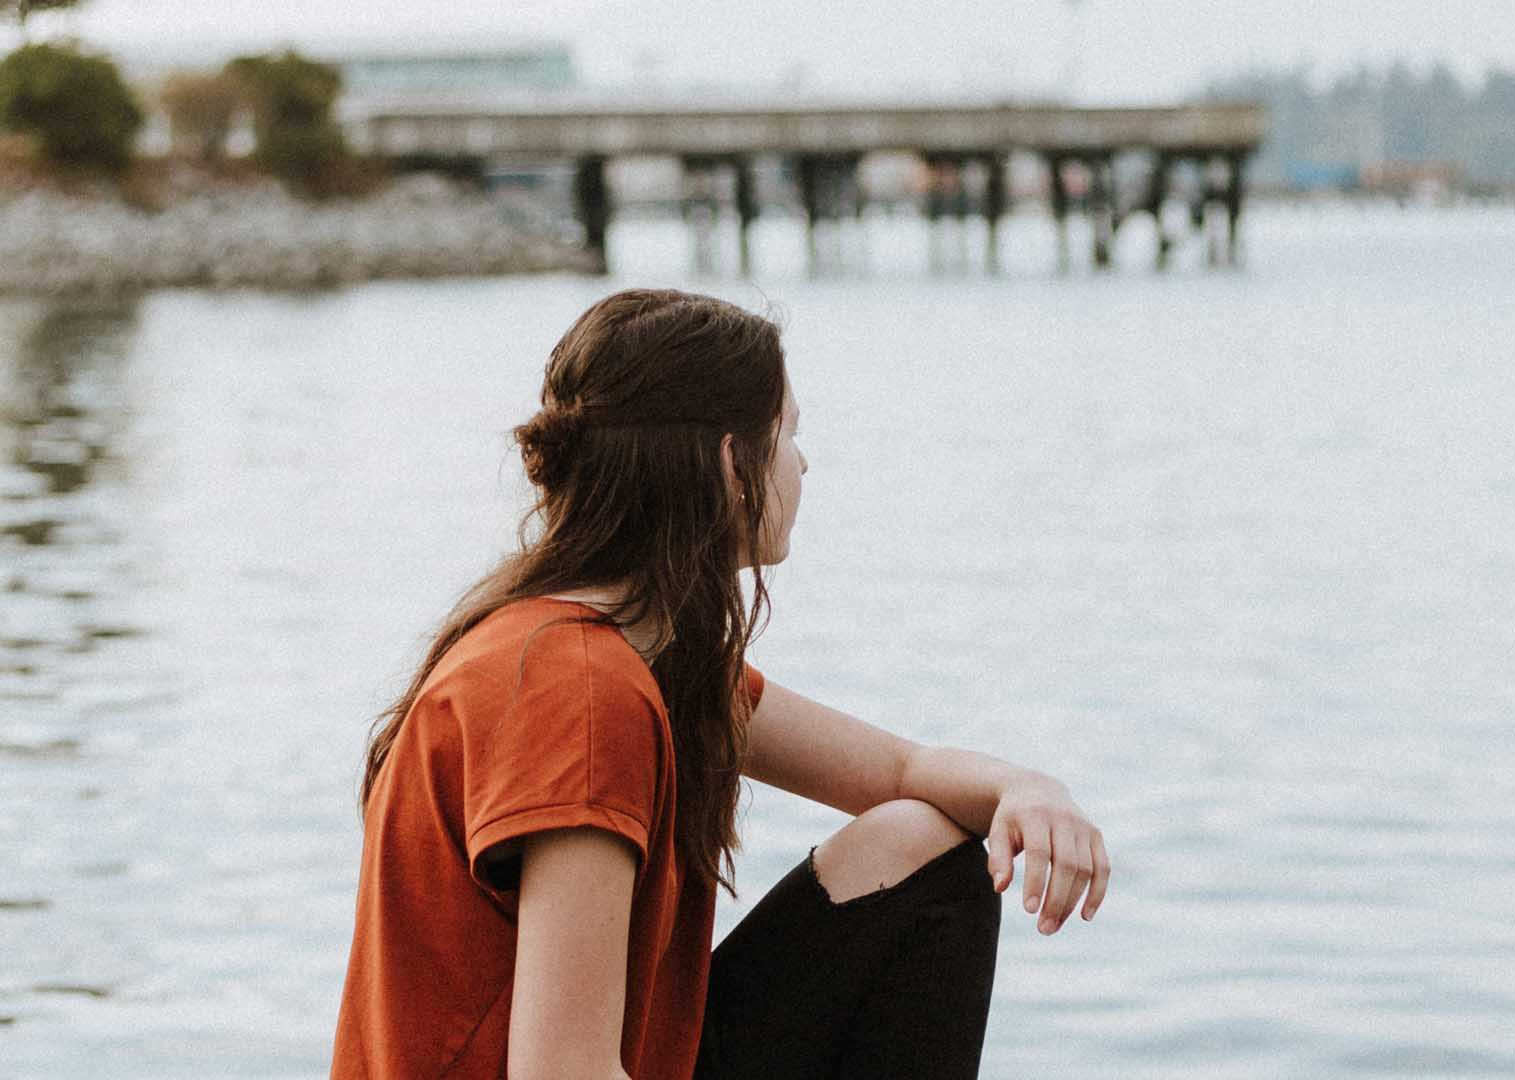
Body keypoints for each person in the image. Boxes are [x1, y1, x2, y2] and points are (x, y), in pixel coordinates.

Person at [329, 288, 1110, 1080]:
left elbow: (902, 775)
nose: (802, 463)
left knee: (926, 846)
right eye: (789, 435)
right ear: (728, 463)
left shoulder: (636, 658)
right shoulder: (581, 692)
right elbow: (562, 1071)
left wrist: (1029, 790)